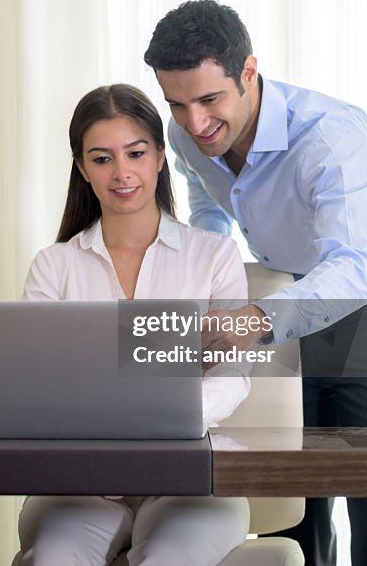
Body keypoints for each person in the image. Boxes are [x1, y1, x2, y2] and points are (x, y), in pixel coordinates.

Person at [143, 0, 367, 566]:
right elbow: (208, 198)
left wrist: (253, 320)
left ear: (248, 72)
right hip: (290, 302)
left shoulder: (329, 137)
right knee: (296, 504)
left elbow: (354, 268)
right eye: (177, 104)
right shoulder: (187, 134)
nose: (195, 123)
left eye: (209, 100)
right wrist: (210, 265)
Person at [17, 83, 251, 566]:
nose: (122, 173)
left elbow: (232, 374)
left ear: (161, 157)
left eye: (136, 153)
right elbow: (32, 386)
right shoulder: (54, 266)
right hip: (80, 483)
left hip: (190, 480)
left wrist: (166, 420)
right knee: (53, 560)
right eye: (102, 159)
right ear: (82, 168)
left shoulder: (214, 256)